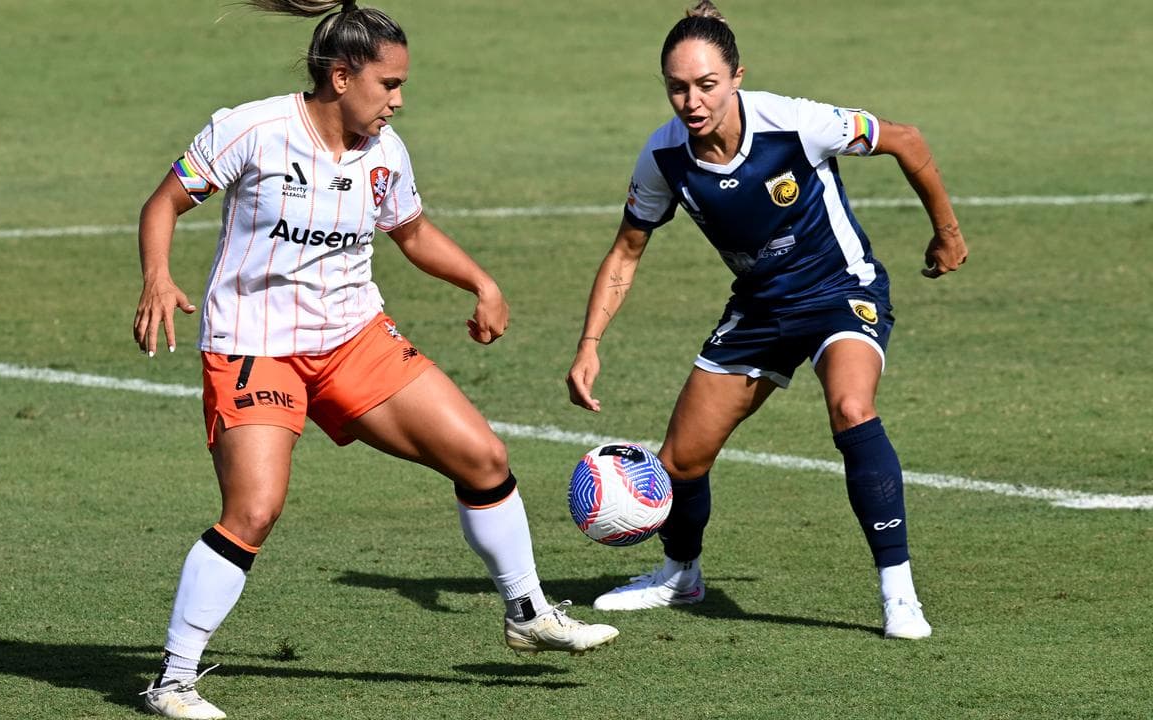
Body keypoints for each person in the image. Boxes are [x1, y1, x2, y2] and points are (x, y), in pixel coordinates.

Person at [132, 2, 618, 717]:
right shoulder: (253, 129)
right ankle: (172, 680)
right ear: (340, 76)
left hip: (355, 340)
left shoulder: (384, 153)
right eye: (388, 84)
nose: (397, 100)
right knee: (254, 509)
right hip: (256, 348)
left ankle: (528, 613)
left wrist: (480, 282)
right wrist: (157, 276)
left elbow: (413, 234)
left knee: (483, 457)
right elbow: (163, 204)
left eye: (401, 86)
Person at [566, 0, 967, 640]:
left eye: (706, 84)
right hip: (759, 307)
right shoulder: (664, 157)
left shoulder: (797, 124)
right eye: (677, 87)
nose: (691, 101)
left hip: (840, 288)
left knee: (852, 408)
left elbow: (906, 139)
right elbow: (626, 251)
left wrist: (945, 232)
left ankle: (899, 594)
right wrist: (590, 343)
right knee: (680, 462)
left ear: (736, 77)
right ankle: (680, 575)